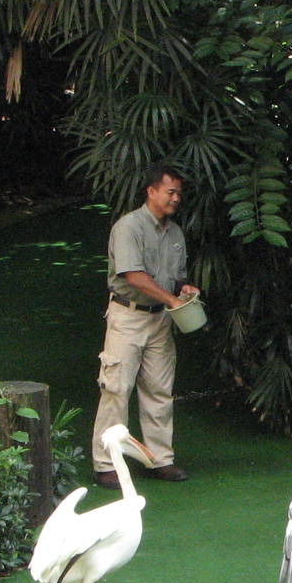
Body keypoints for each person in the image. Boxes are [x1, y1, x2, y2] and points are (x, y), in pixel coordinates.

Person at [92, 162, 200, 488]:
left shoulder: (176, 232)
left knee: (159, 390)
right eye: (170, 191)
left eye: (179, 193)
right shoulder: (129, 227)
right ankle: (106, 462)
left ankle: (159, 459)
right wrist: (171, 299)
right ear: (151, 191)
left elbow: (177, 277)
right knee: (116, 388)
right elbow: (132, 276)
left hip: (161, 319)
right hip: (127, 316)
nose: (176, 198)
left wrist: (184, 290)